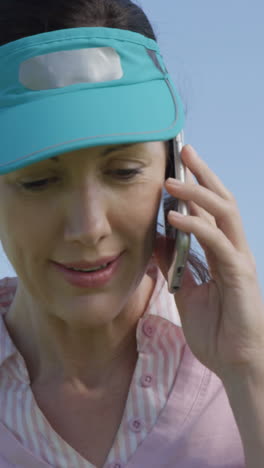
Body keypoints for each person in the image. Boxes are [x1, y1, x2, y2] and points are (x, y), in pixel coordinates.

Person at [0, 1, 263, 467]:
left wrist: (248, 373)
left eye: (122, 172)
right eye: (38, 181)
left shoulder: (246, 369)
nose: (89, 228)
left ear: (174, 169)